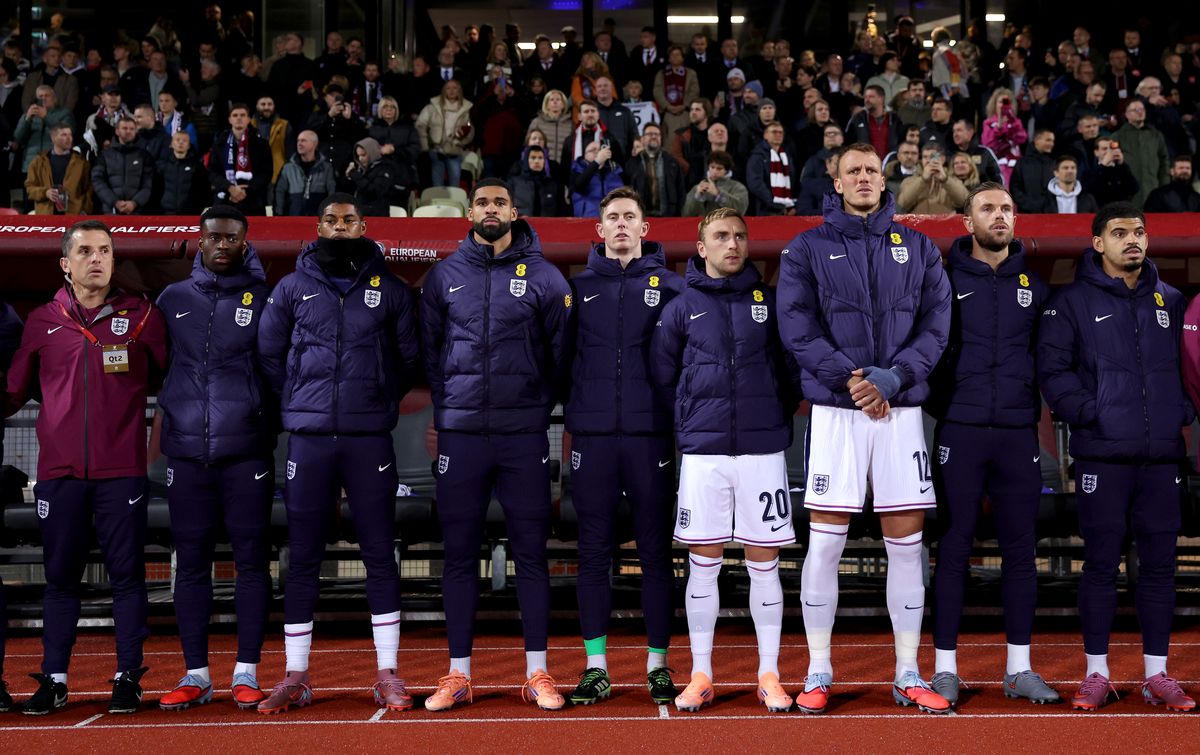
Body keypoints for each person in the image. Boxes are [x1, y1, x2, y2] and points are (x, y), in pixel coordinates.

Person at [778, 142, 952, 715]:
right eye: (851, 170)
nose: (862, 179)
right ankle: (818, 669)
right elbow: (797, 326)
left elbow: (937, 325)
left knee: (908, 549)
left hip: (900, 414)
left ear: (884, 180)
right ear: (835, 178)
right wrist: (854, 380)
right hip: (836, 413)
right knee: (824, 548)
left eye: (871, 171)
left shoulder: (919, 247)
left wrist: (895, 378)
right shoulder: (806, 247)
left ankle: (907, 672)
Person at [256, 193, 420, 714]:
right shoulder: (292, 288)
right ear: (319, 226)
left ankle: (388, 673)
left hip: (369, 435)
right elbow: (269, 353)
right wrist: (302, 401)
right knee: (302, 556)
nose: (340, 227)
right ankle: (296, 675)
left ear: (363, 226)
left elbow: (408, 358)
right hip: (308, 436)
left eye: (349, 220)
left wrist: (373, 396)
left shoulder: (389, 289)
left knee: (379, 554)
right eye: (331, 220)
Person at [419, 179, 572, 711]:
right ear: (469, 212)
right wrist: (451, 405)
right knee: (458, 557)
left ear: (514, 211)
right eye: (481, 203)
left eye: (499, 203)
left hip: (522, 434)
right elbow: (430, 352)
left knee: (532, 554)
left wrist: (532, 405)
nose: (490, 210)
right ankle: (458, 674)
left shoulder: (546, 277)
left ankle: (537, 673)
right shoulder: (444, 275)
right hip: (460, 435)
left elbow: (559, 356)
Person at [6, 220, 167, 715]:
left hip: (122, 472)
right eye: (85, 251)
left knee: (127, 576)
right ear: (65, 263)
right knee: (59, 578)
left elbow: (164, 377)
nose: (96, 259)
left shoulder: (141, 317)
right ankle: (54, 679)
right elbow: (15, 389)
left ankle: (127, 677)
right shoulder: (41, 322)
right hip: (59, 474)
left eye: (105, 251)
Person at [1040, 202, 1195, 713]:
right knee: (1101, 566)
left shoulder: (1170, 301)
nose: (1133, 240)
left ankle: (1156, 674)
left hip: (1161, 459)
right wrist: (1093, 412)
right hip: (1103, 456)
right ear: (1097, 243)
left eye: (1140, 232)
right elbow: (1055, 373)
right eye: (1120, 232)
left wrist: (1183, 407)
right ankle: (1097, 673)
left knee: (1159, 567)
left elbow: (1191, 366)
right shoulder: (1070, 303)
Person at [651, 207, 799, 713]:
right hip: (704, 452)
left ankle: (769, 674)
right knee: (703, 567)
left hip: (762, 451)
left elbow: (790, 375)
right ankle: (701, 674)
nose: (732, 244)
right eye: (721, 236)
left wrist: (770, 421)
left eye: (739, 236)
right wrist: (693, 422)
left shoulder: (771, 302)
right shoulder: (679, 305)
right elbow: (664, 375)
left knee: (765, 566)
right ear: (701, 245)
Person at [925, 183, 1058, 707]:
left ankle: (1019, 669)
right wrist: (952, 405)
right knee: (954, 547)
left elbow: (1043, 359)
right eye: (988, 208)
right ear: (966, 220)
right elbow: (929, 352)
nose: (999, 216)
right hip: (960, 429)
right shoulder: (942, 279)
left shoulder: (1035, 285)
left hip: (1016, 435)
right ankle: (945, 669)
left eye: (1006, 208)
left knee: (1020, 551)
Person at [564, 187, 684, 706]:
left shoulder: (674, 288)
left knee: (656, 553)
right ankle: (596, 667)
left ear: (644, 227)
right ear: (599, 229)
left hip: (650, 436)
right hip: (591, 438)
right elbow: (559, 361)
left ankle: (658, 664)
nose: (619, 225)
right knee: (593, 553)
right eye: (611, 217)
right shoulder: (577, 287)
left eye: (628, 217)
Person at [154, 206, 273, 712]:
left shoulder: (266, 299)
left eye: (231, 238)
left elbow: (280, 368)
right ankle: (197, 674)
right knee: (192, 567)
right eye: (213, 238)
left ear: (244, 243)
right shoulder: (172, 300)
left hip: (247, 452)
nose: (221, 245)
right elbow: (157, 367)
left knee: (251, 564)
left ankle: (246, 672)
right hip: (186, 454)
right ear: (198, 242)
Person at [207, 103, 273, 215]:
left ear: (249, 119)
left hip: (253, 200)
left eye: (242, 115)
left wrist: (246, 190)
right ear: (229, 119)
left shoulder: (261, 144)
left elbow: (266, 173)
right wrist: (230, 188)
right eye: (235, 115)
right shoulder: (219, 143)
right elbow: (212, 173)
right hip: (225, 199)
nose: (238, 118)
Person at [415, 78, 474, 188]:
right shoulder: (433, 108)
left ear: (459, 91)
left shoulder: (465, 110)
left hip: (454, 150)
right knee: (437, 183)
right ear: (444, 91)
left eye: (455, 88)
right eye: (448, 88)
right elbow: (420, 124)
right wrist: (425, 145)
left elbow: (470, 130)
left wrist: (461, 142)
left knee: (455, 183)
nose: (451, 91)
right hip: (436, 150)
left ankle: (452, 204)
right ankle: (437, 204)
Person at [91, 115, 155, 215]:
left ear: (136, 131)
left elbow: (148, 184)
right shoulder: (104, 155)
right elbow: (98, 181)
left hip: (137, 213)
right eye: (125, 128)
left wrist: (134, 203)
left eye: (131, 129)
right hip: (110, 212)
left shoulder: (145, 156)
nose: (128, 131)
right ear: (117, 131)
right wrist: (115, 202)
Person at [1111, 99, 1168, 208]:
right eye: (1135, 110)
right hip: (1128, 193)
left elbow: (1164, 160)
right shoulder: (1117, 136)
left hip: (1153, 189)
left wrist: (1164, 185)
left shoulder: (1155, 135)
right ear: (1127, 114)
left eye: (1142, 109)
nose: (1140, 112)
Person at [25, 122, 92, 214]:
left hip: (73, 214)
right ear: (53, 138)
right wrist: (45, 192)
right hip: (47, 215)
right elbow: (30, 189)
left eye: (70, 135)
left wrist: (85, 210)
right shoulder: (38, 162)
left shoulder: (81, 163)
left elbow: (88, 189)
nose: (69, 138)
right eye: (64, 135)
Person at [625, 122, 684, 217]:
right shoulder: (631, 164)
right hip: (641, 218)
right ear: (642, 139)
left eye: (657, 134)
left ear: (661, 138)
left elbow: (681, 191)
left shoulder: (672, 162)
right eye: (649, 134)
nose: (653, 136)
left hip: (668, 218)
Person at [897, 142, 967, 214]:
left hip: (945, 224)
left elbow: (964, 202)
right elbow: (902, 204)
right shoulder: (909, 181)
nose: (928, 160)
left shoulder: (954, 180)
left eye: (932, 157)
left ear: (942, 159)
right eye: (925, 157)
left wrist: (945, 180)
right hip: (917, 224)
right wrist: (923, 180)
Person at [746, 121, 799, 215]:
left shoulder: (786, 156)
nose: (778, 134)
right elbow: (755, 183)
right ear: (765, 135)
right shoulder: (758, 156)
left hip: (786, 209)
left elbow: (793, 182)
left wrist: (793, 205)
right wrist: (773, 202)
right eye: (774, 132)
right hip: (765, 209)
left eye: (780, 132)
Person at [157, 131, 211, 215]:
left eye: (184, 140)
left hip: (190, 214)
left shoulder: (197, 167)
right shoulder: (162, 166)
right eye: (177, 140)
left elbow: (204, 191)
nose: (181, 142)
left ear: (189, 145)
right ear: (171, 144)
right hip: (165, 213)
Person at [981, 89, 1028, 186]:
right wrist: (999, 127)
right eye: (1000, 102)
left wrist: (1013, 122)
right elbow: (987, 144)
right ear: (994, 104)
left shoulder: (1015, 122)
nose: (1003, 105)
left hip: (1016, 165)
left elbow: (1022, 138)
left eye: (1006, 101)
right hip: (998, 166)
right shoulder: (988, 123)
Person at [682, 150, 749, 215]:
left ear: (727, 170)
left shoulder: (738, 187)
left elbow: (741, 210)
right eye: (712, 167)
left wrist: (718, 194)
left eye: (719, 168)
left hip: (725, 225)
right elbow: (685, 214)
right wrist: (697, 197)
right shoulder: (698, 187)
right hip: (702, 225)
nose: (714, 171)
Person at [571, 139, 624, 218]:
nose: (598, 152)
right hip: (587, 221)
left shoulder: (614, 171)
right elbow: (579, 186)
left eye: (600, 150)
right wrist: (597, 162)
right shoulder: (578, 168)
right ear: (584, 155)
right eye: (592, 150)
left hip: (612, 222)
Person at [346, 137, 395, 216]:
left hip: (377, 218)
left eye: (363, 155)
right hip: (360, 216)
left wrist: (356, 176)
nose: (360, 158)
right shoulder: (360, 169)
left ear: (372, 152)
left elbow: (375, 191)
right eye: (358, 156)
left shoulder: (385, 169)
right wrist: (349, 176)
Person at [510, 145, 562, 217]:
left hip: (546, 226)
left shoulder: (552, 184)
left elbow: (560, 210)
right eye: (533, 158)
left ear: (544, 161)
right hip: (521, 225)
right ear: (526, 160)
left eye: (540, 158)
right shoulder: (515, 182)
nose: (537, 161)